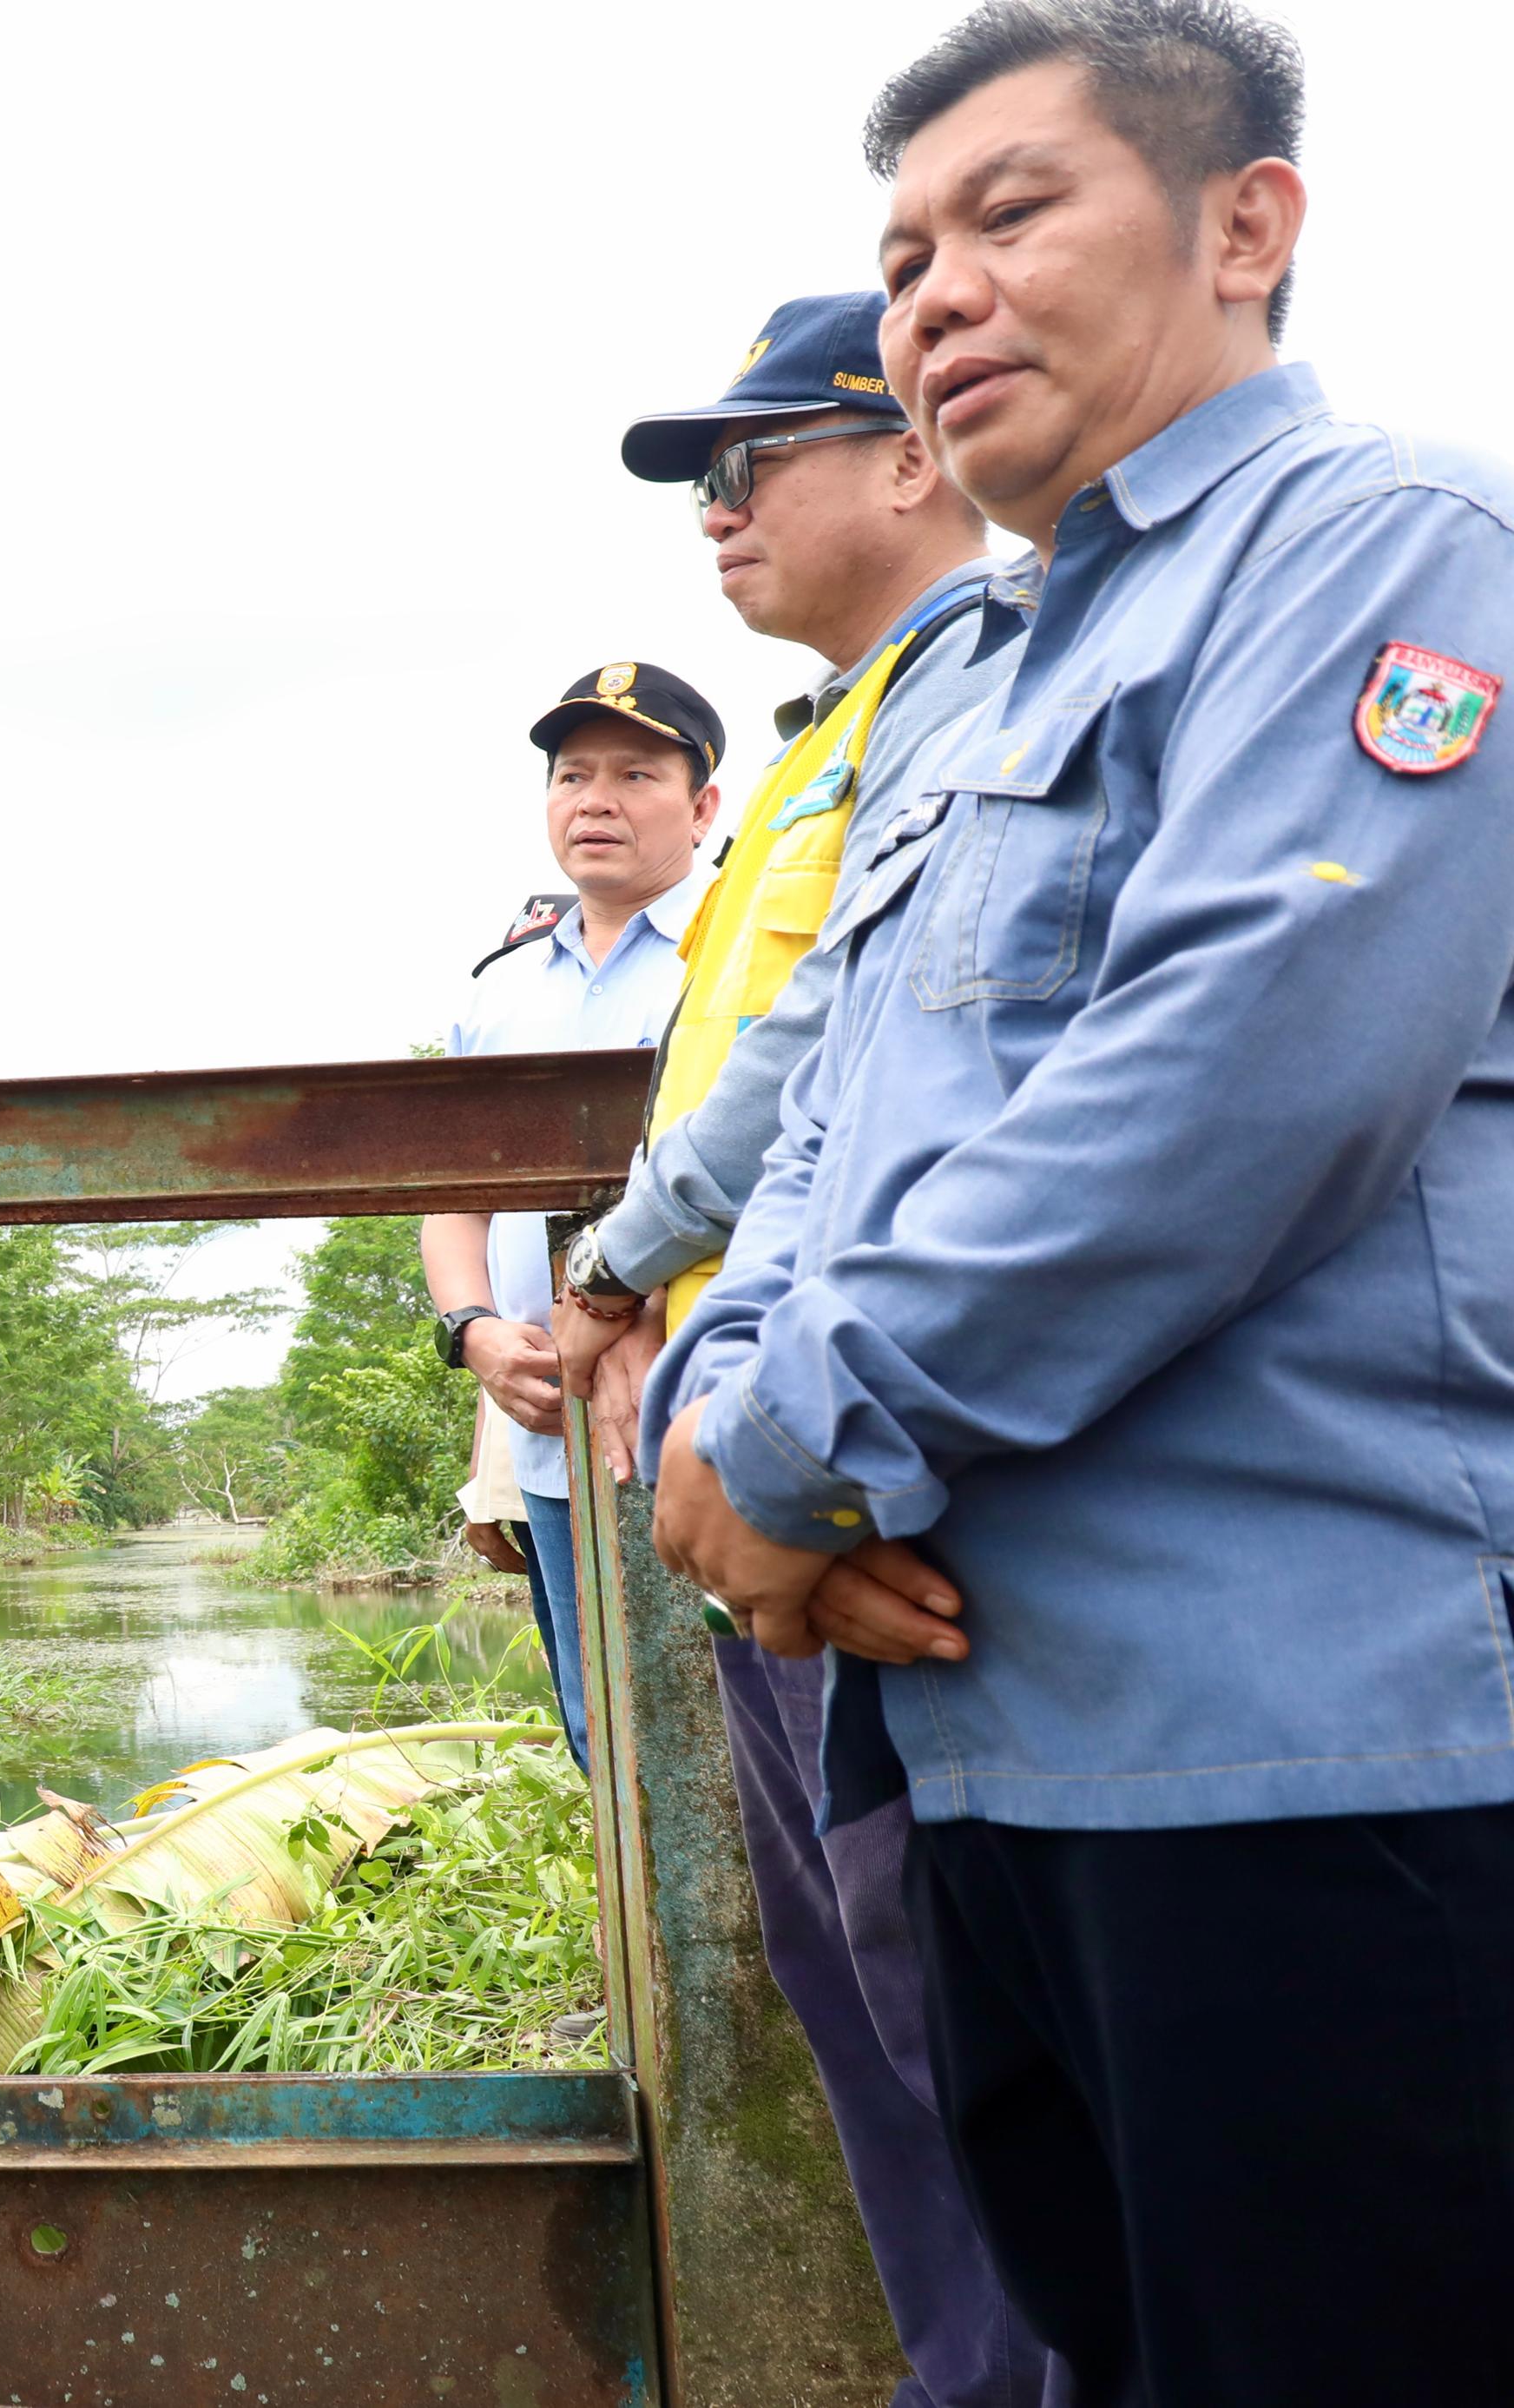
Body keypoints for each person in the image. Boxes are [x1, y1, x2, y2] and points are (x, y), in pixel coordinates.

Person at [651, 6, 1514, 2394]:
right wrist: (702, 1400)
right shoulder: (997, 681)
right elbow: (829, 1115)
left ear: (1249, 227)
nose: (934, 294)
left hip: (1296, 1753)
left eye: (1013, 214)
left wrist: (795, 1439)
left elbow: (1245, 1075)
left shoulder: (1390, 552)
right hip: (988, 1752)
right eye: (907, 249)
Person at [565, 294, 1056, 2408]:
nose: (715, 512)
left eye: (750, 464)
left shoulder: (968, 705)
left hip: (852, 1434)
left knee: (936, 1969)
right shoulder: (822, 748)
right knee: (845, 1968)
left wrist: (608, 1268)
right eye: (700, 481)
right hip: (743, 1412)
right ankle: (963, 2363)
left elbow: (804, 1078)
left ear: (909, 461)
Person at [423, 663, 723, 1768]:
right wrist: (476, 1334)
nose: (593, 799)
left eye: (634, 774)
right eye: (571, 774)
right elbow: (453, 1197)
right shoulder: (495, 992)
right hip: (547, 1434)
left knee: (733, 1762)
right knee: (604, 1742)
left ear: (701, 808)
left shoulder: (730, 956)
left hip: (698, 1412)